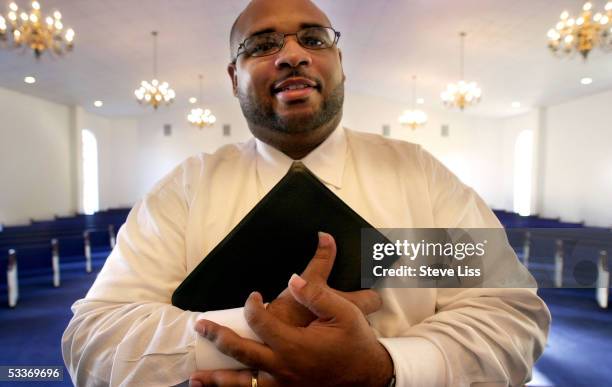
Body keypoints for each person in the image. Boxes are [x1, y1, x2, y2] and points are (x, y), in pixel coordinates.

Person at [62, 0, 551, 386]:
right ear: (234, 79)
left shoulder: (419, 176)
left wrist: (384, 367)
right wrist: (262, 329)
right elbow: (93, 340)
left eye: (314, 39)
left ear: (339, 63)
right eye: (260, 44)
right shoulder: (186, 188)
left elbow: (508, 314)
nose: (292, 54)